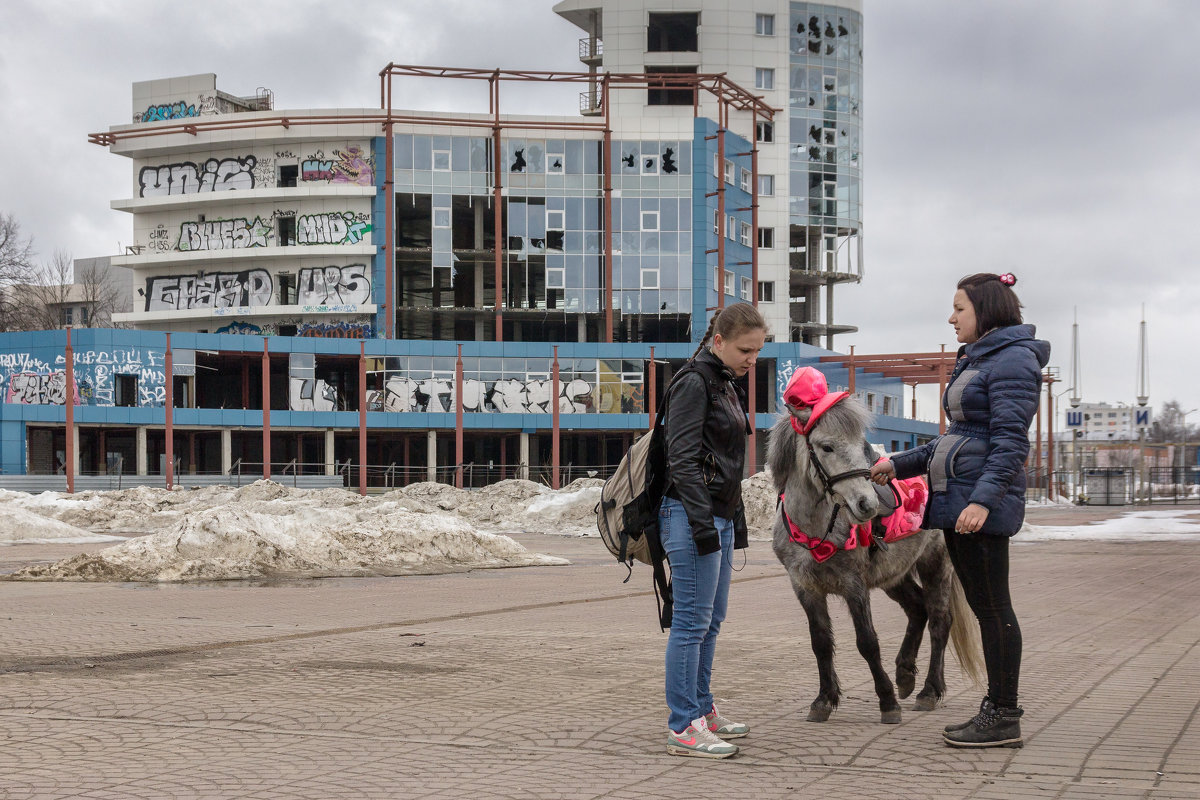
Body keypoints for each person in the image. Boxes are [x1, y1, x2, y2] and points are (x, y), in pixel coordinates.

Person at [870, 272, 1049, 748]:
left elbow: (1011, 443)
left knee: (993, 610)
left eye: (959, 309)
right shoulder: (980, 357)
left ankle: (1003, 714)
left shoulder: (1011, 360)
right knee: (988, 607)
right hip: (959, 503)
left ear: (985, 312)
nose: (951, 318)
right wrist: (897, 464)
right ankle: (997, 710)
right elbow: (957, 441)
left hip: (977, 507)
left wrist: (982, 502)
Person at [660, 302, 767, 759]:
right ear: (718, 341)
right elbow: (681, 459)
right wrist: (704, 525)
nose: (752, 361)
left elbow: (726, 462)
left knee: (711, 621)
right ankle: (683, 725)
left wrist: (732, 521)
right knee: (690, 622)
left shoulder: (725, 384)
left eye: (758, 353)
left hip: (716, 517)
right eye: (746, 350)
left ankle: (702, 710)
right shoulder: (694, 383)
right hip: (688, 516)